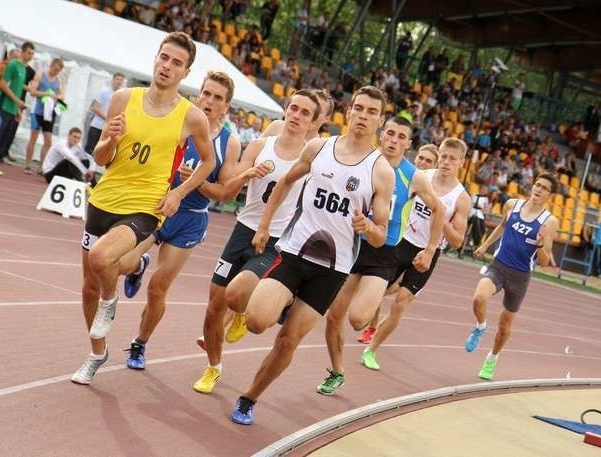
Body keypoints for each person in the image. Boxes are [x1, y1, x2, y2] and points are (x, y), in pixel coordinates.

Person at [230, 86, 395, 425]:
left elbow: (380, 236)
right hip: (293, 252)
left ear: (380, 120)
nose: (363, 116)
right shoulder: (319, 147)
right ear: (348, 111)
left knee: (288, 340)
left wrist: (368, 228)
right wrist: (264, 225)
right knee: (257, 321)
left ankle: (249, 399)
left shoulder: (380, 171)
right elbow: (285, 182)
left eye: (371, 112)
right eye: (359, 108)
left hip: (332, 271)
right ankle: (281, 301)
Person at [70, 31, 216, 385]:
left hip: (146, 207)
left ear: (186, 72)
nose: (167, 66)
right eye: (163, 57)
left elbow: (208, 161)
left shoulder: (191, 117)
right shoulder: (124, 99)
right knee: (88, 287)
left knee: (102, 258)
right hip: (104, 199)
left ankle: (111, 300)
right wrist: (110, 139)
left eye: (176, 62)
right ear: (156, 59)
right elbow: (102, 158)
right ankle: (97, 353)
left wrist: (179, 192)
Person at [193, 89, 321, 394]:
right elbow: (228, 188)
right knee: (213, 308)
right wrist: (247, 173)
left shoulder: (313, 162)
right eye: (293, 108)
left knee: (236, 296)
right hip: (242, 229)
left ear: (313, 122)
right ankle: (213, 367)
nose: (296, 115)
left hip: (275, 240)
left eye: (305, 112)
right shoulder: (261, 145)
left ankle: (240, 313)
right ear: (285, 111)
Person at [118, 71, 241, 370]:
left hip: (189, 219)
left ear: (226, 106)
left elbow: (224, 192)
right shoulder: (181, 118)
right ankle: (139, 265)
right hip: (157, 205)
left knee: (158, 288)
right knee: (122, 262)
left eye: (218, 98)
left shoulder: (229, 142)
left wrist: (195, 181)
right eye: (207, 94)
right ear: (199, 94)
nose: (210, 101)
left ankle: (139, 343)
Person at [316, 128, 446, 396]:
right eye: (390, 134)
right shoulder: (366, 162)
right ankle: (337, 372)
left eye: (401, 137)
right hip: (352, 246)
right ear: (382, 136)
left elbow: (439, 208)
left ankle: (378, 300)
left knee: (357, 319)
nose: (394, 140)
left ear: (408, 144)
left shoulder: (413, 176)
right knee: (333, 317)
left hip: (385, 253)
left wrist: (431, 249)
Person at [356, 138, 471, 374]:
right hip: (401, 242)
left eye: (452, 158)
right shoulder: (422, 178)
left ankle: (371, 349)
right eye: (443, 156)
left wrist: (439, 214)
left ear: (461, 162)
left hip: (428, 253)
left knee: (401, 303)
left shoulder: (461, 198)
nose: (446, 162)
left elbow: (458, 241)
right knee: (375, 291)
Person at [464, 173, 559, 380]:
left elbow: (543, 262)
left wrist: (541, 243)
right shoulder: (512, 205)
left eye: (544, 188)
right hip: (499, 266)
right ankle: (480, 327)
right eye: (537, 184)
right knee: (478, 297)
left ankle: (492, 358)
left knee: (505, 326)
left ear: (549, 195)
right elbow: (502, 226)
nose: (539, 189)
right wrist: (485, 245)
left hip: (521, 276)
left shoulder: (549, 222)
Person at [355, 143, 439, 345]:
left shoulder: (433, 191)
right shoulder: (403, 178)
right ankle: (372, 327)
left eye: (429, 161)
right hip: (401, 241)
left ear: (435, 166)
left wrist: (431, 248)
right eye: (421, 158)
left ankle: (375, 340)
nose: (423, 163)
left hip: (420, 250)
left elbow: (442, 214)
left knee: (399, 297)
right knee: (379, 289)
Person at [0, 42, 35, 176]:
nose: (31, 56)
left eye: (33, 54)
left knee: (3, 137)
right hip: (2, 106)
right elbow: (4, 85)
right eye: (29, 53)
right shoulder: (13, 65)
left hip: (12, 109)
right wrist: (17, 101)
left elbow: (17, 90)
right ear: (23, 52)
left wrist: (17, 109)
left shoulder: (23, 69)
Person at [24, 57, 65, 174]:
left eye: (58, 71)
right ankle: (27, 165)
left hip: (49, 114)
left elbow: (62, 95)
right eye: (55, 69)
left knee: (48, 141)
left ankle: (42, 167)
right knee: (34, 137)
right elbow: (32, 92)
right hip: (37, 111)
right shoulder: (40, 75)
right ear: (51, 66)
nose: (55, 72)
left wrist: (58, 97)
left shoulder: (59, 79)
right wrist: (47, 94)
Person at [84, 72, 125, 155]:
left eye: (121, 80)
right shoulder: (104, 91)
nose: (119, 81)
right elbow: (95, 108)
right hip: (97, 126)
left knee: (101, 152)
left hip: (108, 129)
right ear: (113, 80)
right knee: (89, 150)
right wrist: (108, 118)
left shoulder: (122, 95)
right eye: (117, 79)